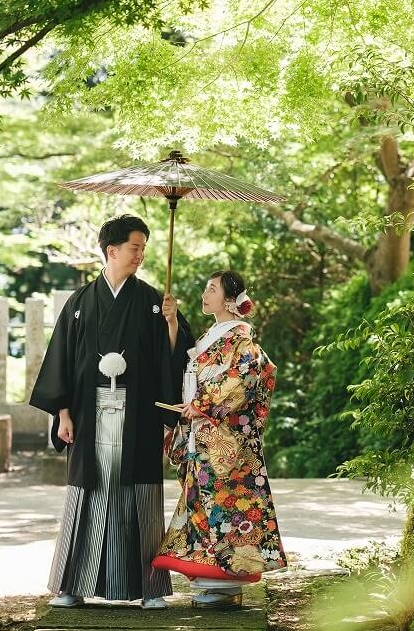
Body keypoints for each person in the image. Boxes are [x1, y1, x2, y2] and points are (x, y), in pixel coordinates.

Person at [29, 214, 193, 609]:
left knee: (139, 496)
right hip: (88, 412)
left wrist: (171, 325)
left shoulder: (155, 302)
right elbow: (62, 361)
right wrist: (63, 413)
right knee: (88, 494)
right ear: (112, 250)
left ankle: (150, 588)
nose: (140, 255)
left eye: (143, 249)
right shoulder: (81, 302)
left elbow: (174, 357)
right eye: (134, 247)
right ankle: (71, 585)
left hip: (137, 414)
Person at [158, 270, 287, 605]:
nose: (205, 293)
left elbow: (243, 379)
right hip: (204, 436)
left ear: (230, 300)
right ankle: (210, 580)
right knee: (203, 506)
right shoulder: (214, 335)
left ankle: (226, 584)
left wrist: (200, 405)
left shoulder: (242, 341)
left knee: (229, 509)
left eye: (211, 289)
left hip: (227, 440)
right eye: (205, 288)